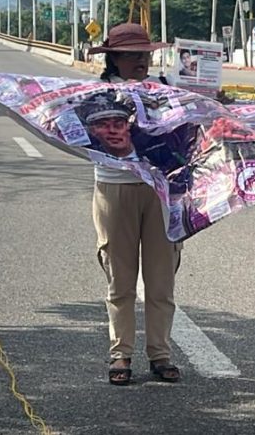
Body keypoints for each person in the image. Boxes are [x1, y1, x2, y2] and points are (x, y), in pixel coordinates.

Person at [86, 23, 183, 385]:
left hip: (158, 191)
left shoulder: (164, 88)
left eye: (145, 54)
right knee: (120, 279)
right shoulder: (97, 94)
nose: (141, 61)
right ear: (114, 58)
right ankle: (120, 355)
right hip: (115, 189)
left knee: (161, 279)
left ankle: (160, 354)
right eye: (132, 55)